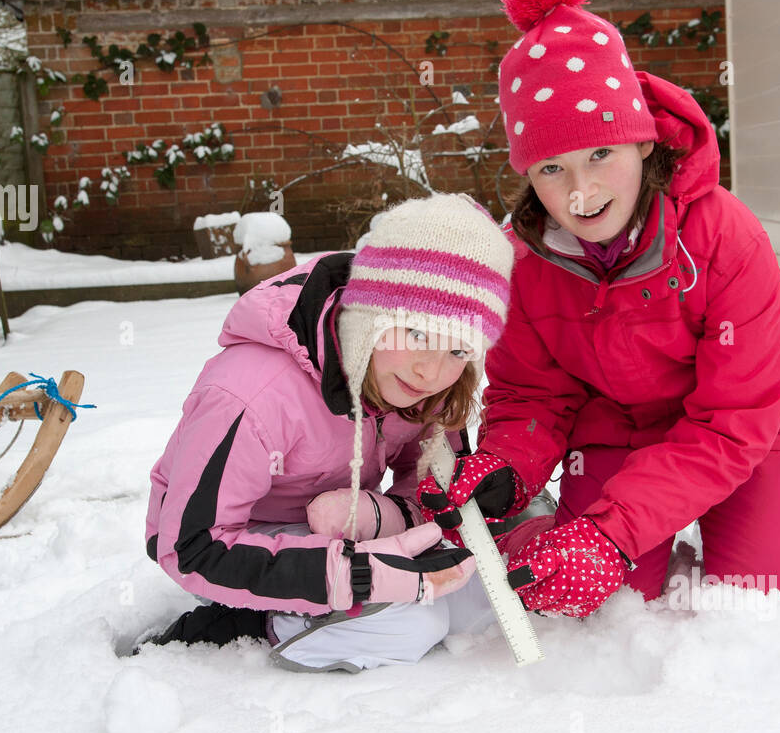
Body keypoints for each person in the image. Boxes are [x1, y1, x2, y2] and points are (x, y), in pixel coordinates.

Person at [417, 0, 780, 618]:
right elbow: (534, 391)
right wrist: (507, 467)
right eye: (552, 168)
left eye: (601, 154)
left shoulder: (726, 238)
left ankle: (728, 524)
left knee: (776, 604)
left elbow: (733, 420)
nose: (580, 191)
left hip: (752, 425)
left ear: (643, 143)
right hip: (619, 427)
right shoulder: (525, 261)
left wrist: (614, 529)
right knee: (599, 604)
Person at [140, 193, 511, 671]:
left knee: (475, 592)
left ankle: (345, 596)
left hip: (341, 520)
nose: (430, 370)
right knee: (411, 625)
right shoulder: (251, 394)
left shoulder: (427, 381)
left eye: (459, 351)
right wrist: (352, 575)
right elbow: (190, 546)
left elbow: (433, 486)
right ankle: (254, 620)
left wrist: (390, 514)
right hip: (232, 538)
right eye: (417, 334)